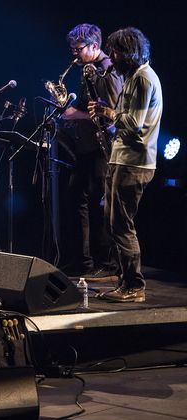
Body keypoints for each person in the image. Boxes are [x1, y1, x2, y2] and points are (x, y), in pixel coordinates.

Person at [88, 27, 162, 302]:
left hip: (134, 162)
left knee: (121, 225)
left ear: (129, 52)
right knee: (115, 222)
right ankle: (125, 283)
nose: (112, 56)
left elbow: (133, 124)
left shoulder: (142, 79)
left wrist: (110, 114)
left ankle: (134, 286)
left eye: (116, 51)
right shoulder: (134, 77)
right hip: (124, 159)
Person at [57, 24, 123, 281]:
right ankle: (84, 261)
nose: (74, 54)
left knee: (102, 205)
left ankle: (108, 263)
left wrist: (77, 114)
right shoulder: (88, 69)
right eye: (72, 49)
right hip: (86, 146)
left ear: (95, 46)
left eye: (79, 49)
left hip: (102, 147)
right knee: (78, 200)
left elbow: (114, 116)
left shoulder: (107, 71)